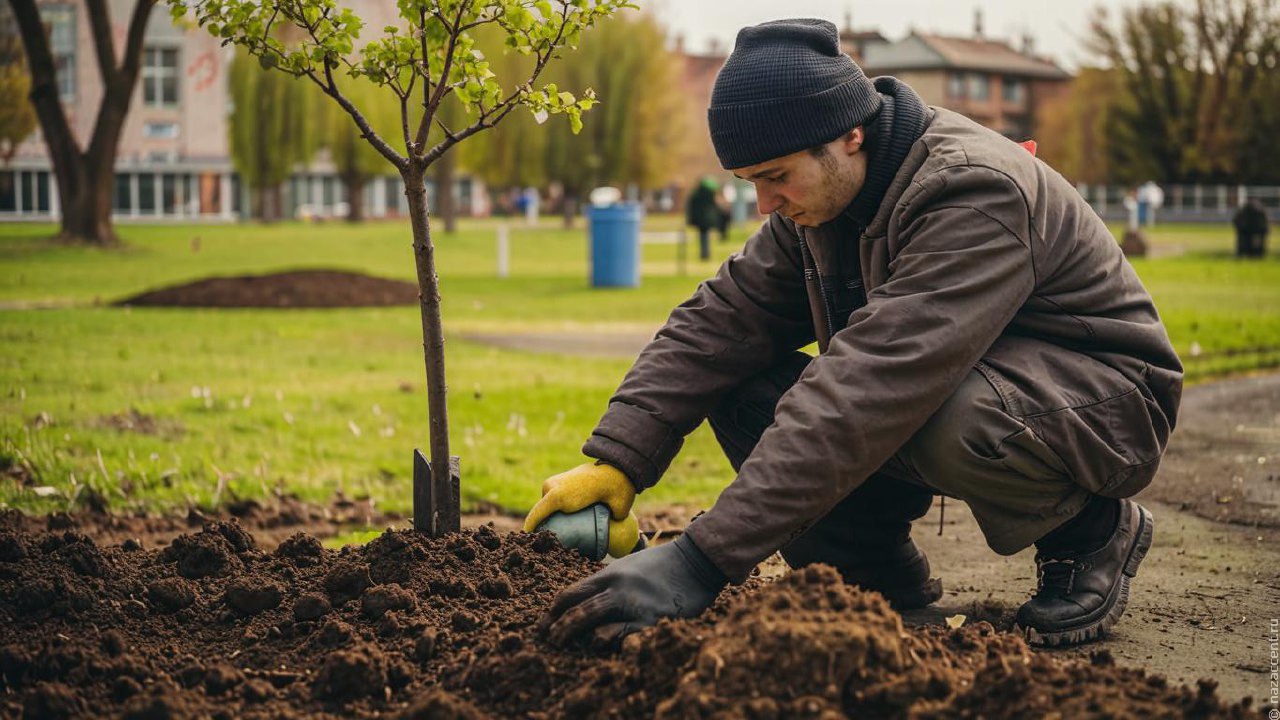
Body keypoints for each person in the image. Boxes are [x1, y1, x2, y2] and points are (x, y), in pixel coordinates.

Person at [525, 19, 1182, 649]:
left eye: (775, 176)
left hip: (1105, 400)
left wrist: (698, 563)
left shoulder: (973, 192)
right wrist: (617, 461)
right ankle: (863, 559)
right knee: (738, 379)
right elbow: (716, 324)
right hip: (979, 385)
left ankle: (1091, 531)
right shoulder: (818, 209)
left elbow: (871, 384)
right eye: (751, 183)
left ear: (849, 136)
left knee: (943, 408)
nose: (764, 205)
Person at [686, 176, 722, 260]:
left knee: (703, 236)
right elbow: (714, 206)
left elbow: (691, 207)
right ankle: (706, 253)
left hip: (699, 219)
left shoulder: (695, 194)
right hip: (707, 219)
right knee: (705, 236)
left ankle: (704, 254)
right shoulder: (710, 193)